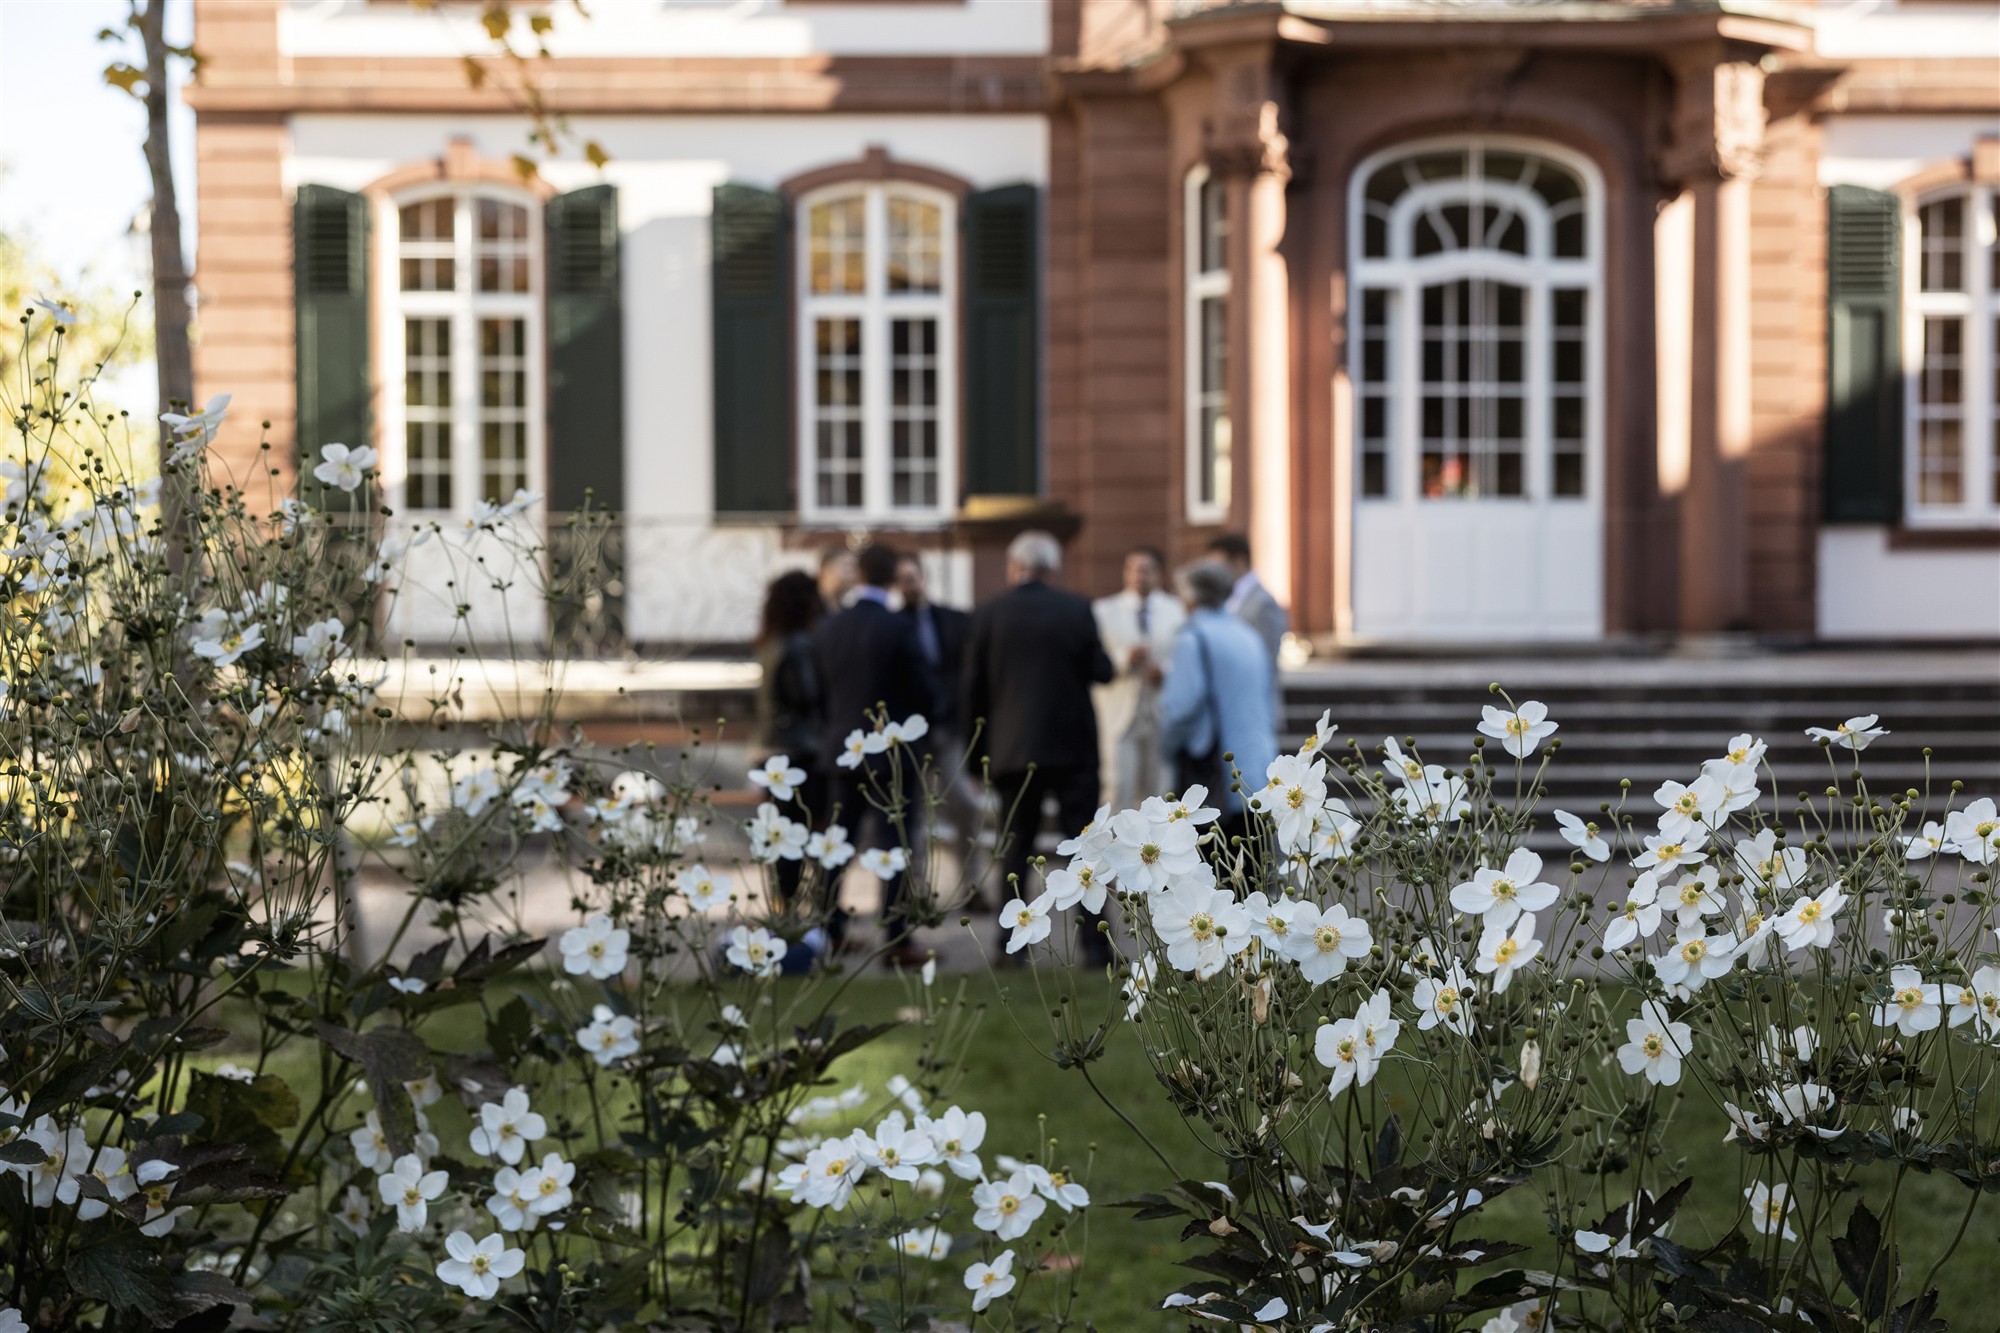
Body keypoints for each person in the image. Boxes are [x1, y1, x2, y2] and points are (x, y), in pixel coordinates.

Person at [963, 530, 1115, 963]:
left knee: (1015, 848)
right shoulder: (1077, 609)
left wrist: (976, 761)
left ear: (1014, 567)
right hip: (1073, 748)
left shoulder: (989, 613)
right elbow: (1101, 670)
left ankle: (1010, 948)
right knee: (1084, 851)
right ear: (1052, 567)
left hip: (1013, 749)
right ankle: (1094, 947)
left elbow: (972, 690)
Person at [811, 543, 936, 960]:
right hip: (893, 754)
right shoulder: (899, 626)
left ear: (859, 575)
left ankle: (829, 930)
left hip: (844, 748)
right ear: (892, 578)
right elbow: (922, 688)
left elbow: (821, 690)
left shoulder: (830, 626)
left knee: (837, 843)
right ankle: (896, 937)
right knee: (893, 845)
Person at [1159, 558, 1279, 843]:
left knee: (1214, 873)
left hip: (1213, 775)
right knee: (1253, 873)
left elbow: (1181, 707)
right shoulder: (1247, 634)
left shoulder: (1193, 637)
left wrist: (1165, 748)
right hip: (1258, 769)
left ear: (1189, 595)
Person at [896, 552, 981, 848]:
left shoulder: (954, 620)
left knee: (965, 805)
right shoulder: (894, 624)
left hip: (949, 728)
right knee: (913, 814)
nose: (909, 585)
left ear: (923, 576)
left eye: (912, 577)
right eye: (902, 580)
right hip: (910, 733)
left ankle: (972, 884)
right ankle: (914, 885)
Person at [1091, 546, 1186, 811]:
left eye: (1145, 570)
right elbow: (1096, 657)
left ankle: (1157, 849)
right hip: (1120, 711)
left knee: (1160, 787)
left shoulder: (1175, 610)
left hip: (1159, 709)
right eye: (1132, 569)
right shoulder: (1104, 610)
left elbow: (1183, 656)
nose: (1137, 576)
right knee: (1118, 785)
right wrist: (1124, 659)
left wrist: (1164, 671)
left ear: (1158, 574)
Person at [753, 570, 823, 919]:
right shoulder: (797, 645)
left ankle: (784, 907)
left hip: (769, 751)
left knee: (781, 838)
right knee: (797, 837)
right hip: (796, 753)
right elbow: (807, 696)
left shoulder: (770, 641)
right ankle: (794, 912)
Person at [1205, 532, 1289, 668]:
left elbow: (1268, 656)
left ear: (1239, 562)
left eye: (1218, 566)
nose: (1214, 574)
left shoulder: (1263, 603)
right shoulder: (1223, 597)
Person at [818, 545, 858, 614]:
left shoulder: (845, 608)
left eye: (855, 568)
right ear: (828, 569)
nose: (853, 575)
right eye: (848, 566)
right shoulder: (804, 605)